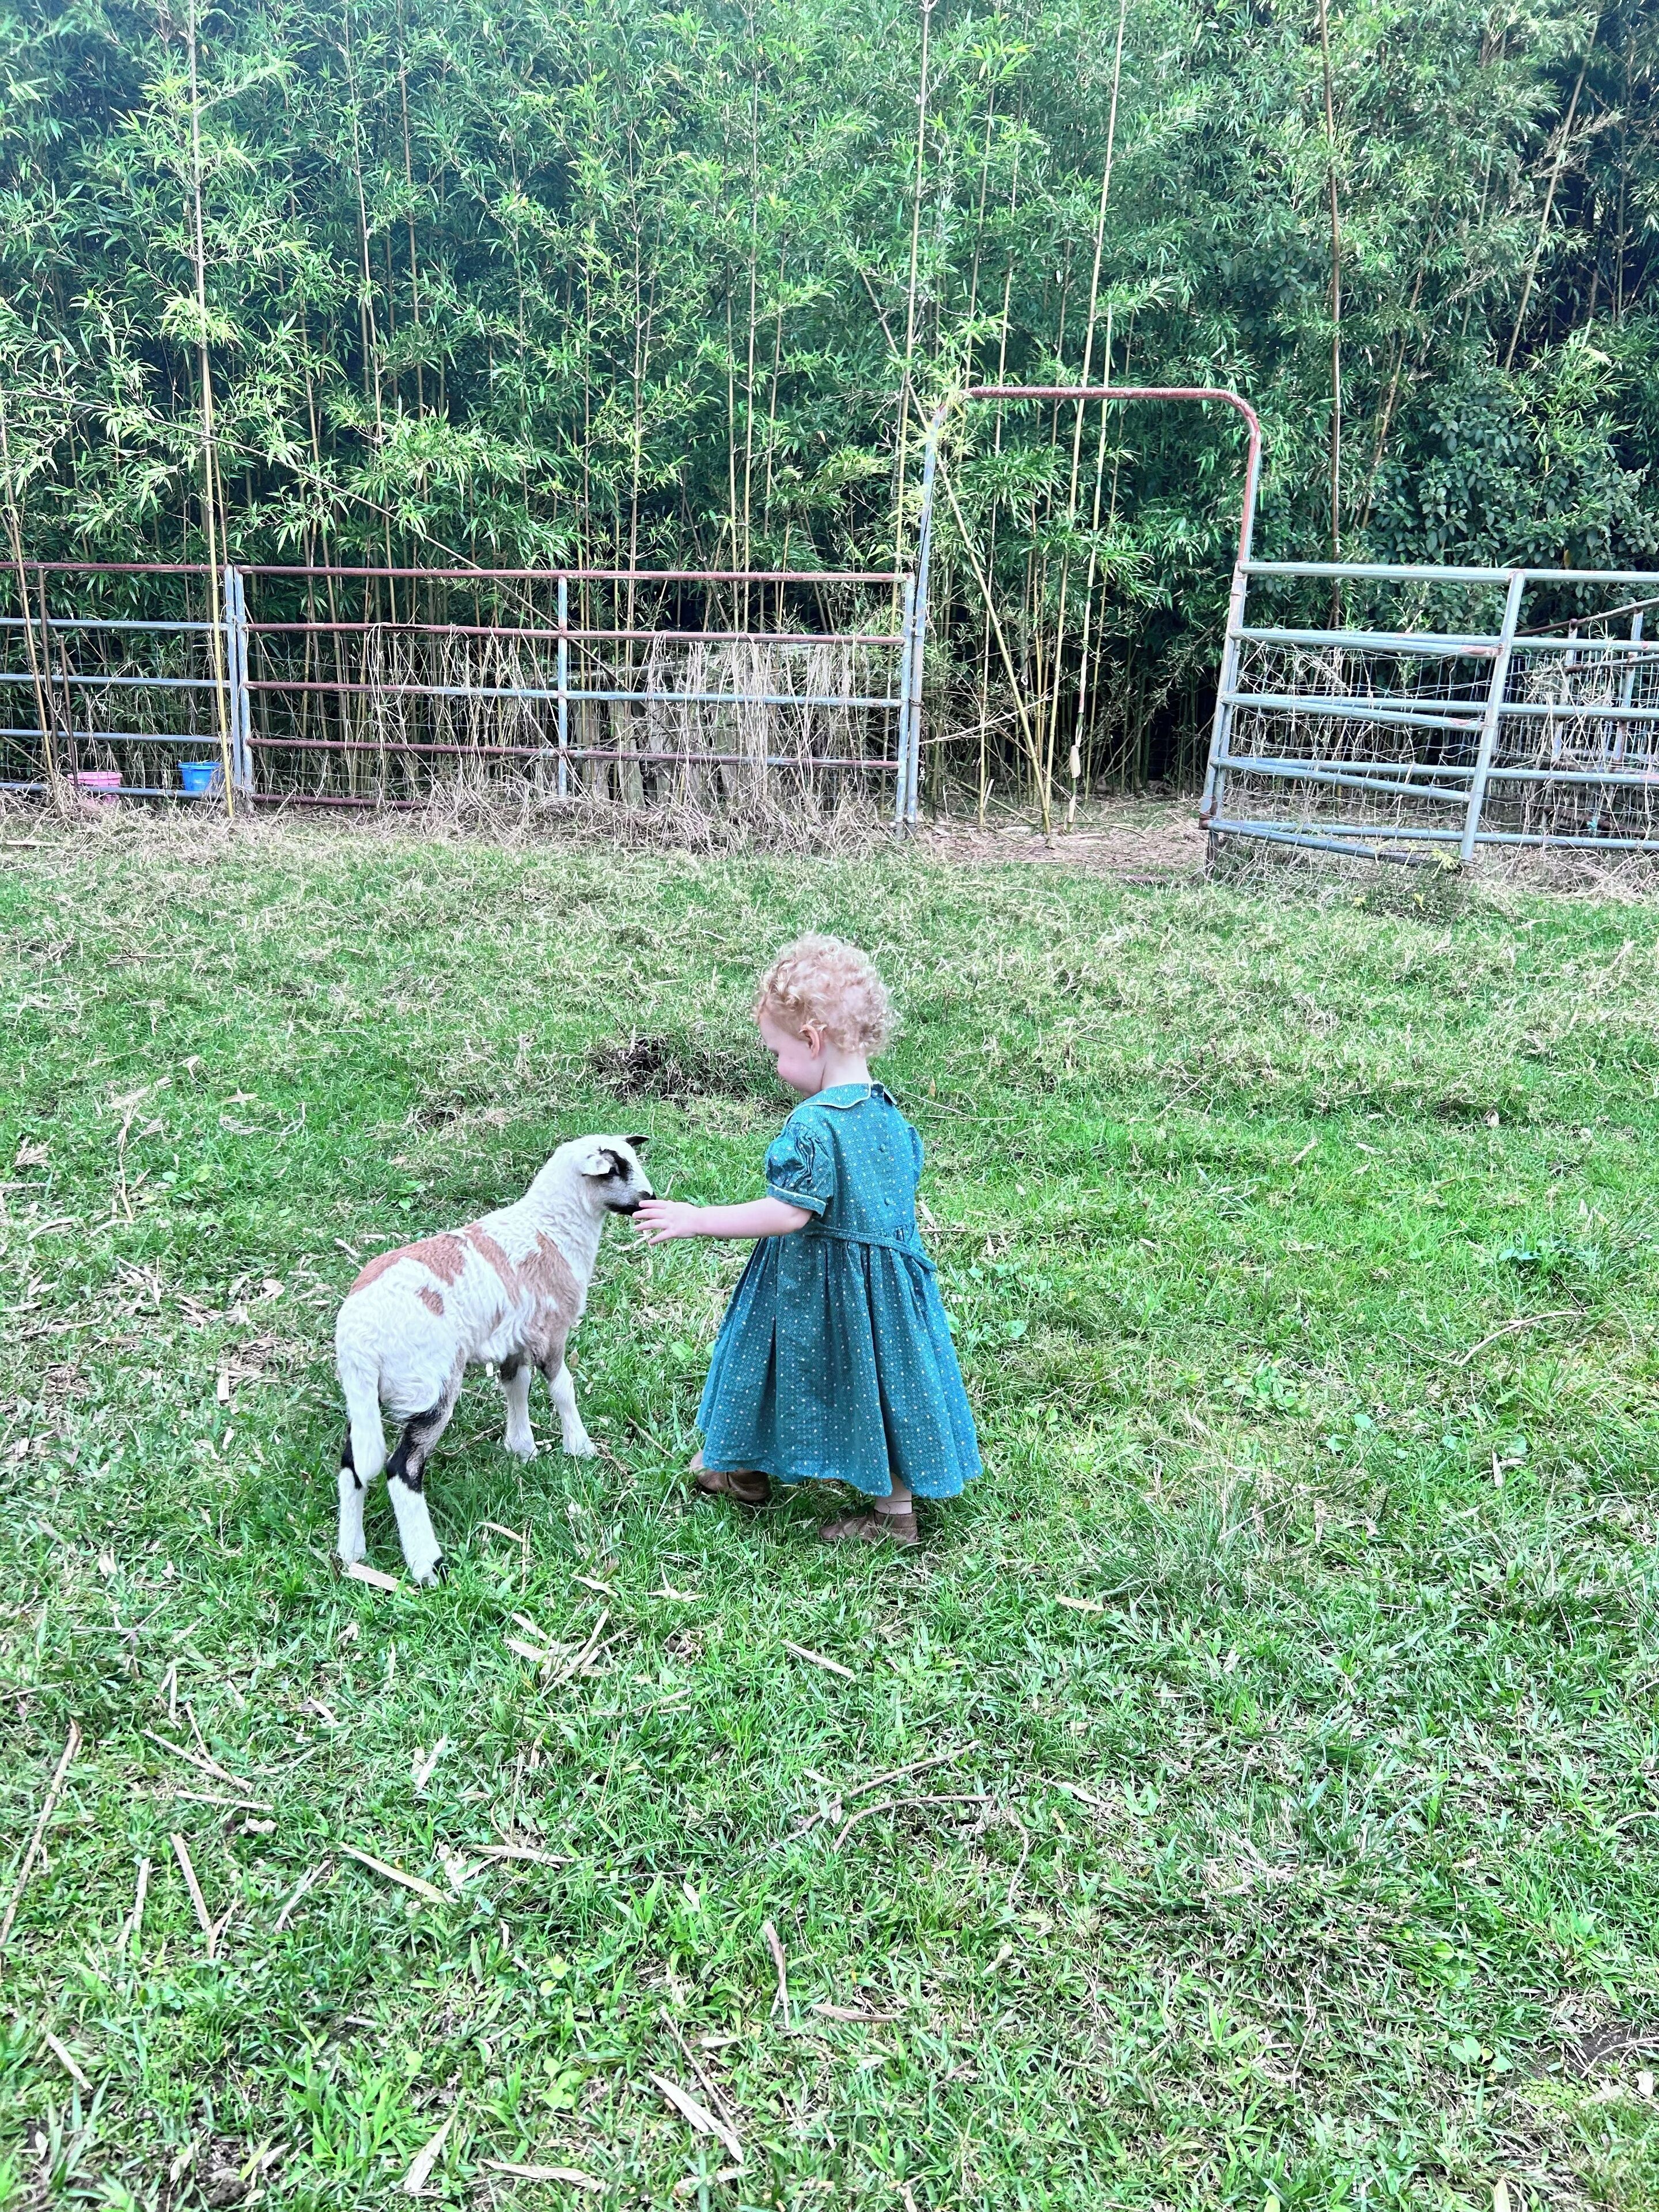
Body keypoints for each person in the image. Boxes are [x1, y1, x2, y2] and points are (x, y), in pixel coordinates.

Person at [632, 933, 980, 1545]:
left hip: (815, 1286)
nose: (774, 1066)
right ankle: (743, 1469)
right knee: (875, 1384)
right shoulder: (888, 1112)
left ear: (813, 1040)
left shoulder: (814, 1124)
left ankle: (891, 1521)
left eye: (775, 1051)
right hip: (887, 1294)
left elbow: (791, 1213)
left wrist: (698, 1217)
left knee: (766, 1366)